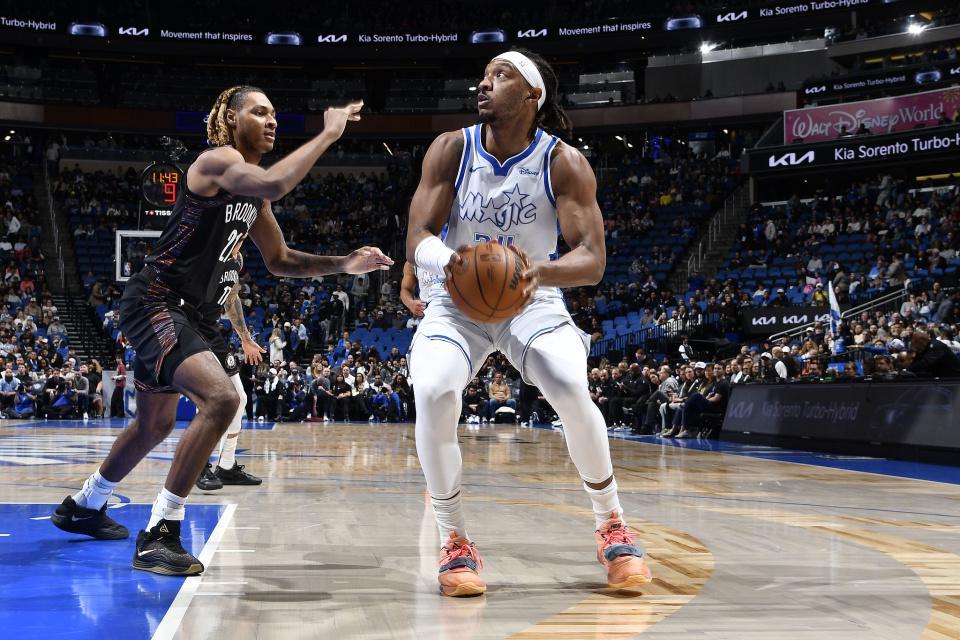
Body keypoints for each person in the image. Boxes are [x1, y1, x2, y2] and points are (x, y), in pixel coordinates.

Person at [51, 85, 392, 576]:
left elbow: (280, 260)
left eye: (274, 114)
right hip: (157, 302)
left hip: (196, 316)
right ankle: (160, 533)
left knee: (155, 425)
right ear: (231, 119)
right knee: (222, 399)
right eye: (260, 112)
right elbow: (276, 183)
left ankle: (84, 504)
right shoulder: (217, 161)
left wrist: (344, 263)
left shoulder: (253, 196)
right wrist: (328, 134)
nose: (272, 120)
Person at [406, 49, 650, 597]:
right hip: (455, 300)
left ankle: (612, 525)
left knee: (569, 385)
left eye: (500, 75)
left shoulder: (563, 162)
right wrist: (455, 262)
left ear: (532, 95)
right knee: (434, 389)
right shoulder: (451, 149)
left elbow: (592, 260)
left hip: (531, 297)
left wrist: (537, 272)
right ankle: (454, 540)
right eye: (483, 75)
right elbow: (417, 236)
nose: (483, 83)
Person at [195, 251, 267, 492]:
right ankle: (197, 464)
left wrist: (245, 338)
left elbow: (232, 298)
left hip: (210, 330)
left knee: (239, 398)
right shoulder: (207, 250)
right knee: (208, 401)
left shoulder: (236, 260)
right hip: (189, 328)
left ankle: (226, 466)